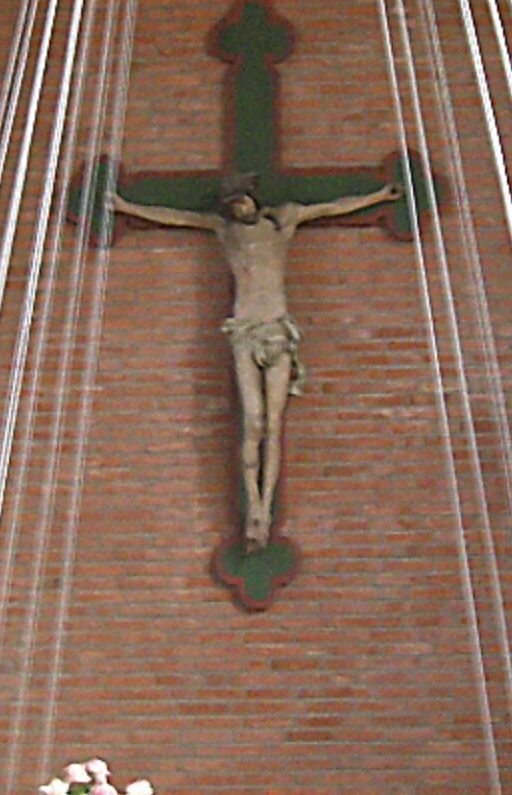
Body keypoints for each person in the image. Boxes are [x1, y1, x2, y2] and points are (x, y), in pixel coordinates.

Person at [112, 172, 399, 550]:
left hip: (276, 330)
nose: (238, 209)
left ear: (253, 198)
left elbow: (331, 208)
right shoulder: (224, 230)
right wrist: (127, 206)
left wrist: (378, 196)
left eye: (242, 200)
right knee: (254, 420)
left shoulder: (283, 220)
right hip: (244, 331)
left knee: (274, 424)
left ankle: (265, 508)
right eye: (231, 205)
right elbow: (177, 216)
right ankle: (252, 507)